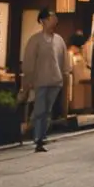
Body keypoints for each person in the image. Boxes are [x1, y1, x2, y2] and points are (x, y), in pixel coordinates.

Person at [21, 9, 70, 153]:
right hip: (40, 80)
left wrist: (65, 76)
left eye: (55, 17)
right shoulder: (35, 40)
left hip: (55, 80)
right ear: (43, 21)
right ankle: (38, 139)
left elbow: (64, 61)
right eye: (51, 18)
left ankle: (41, 135)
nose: (54, 20)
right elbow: (29, 62)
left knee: (47, 111)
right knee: (40, 109)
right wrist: (28, 80)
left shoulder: (59, 40)